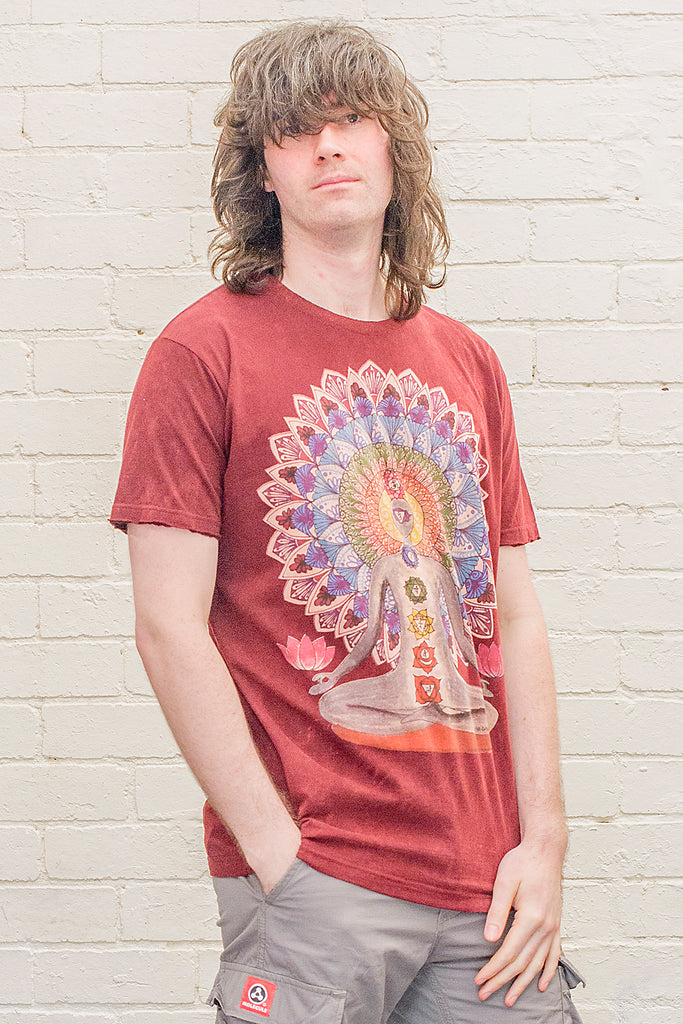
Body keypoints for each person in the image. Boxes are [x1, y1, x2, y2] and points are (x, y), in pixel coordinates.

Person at [110, 19, 584, 1023]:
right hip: (314, 879)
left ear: (392, 153)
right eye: (295, 128)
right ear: (262, 173)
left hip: (484, 886)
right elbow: (167, 624)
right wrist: (282, 857)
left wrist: (541, 841)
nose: (329, 144)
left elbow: (516, 615)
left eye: (353, 120)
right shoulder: (201, 354)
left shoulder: (467, 362)